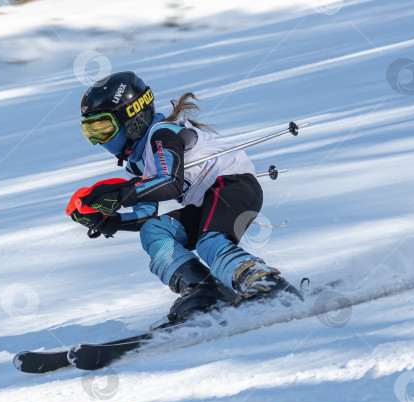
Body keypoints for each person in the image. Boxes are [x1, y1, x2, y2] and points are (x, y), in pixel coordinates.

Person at [71, 71, 300, 322]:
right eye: (90, 131)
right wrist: (109, 221)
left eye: (103, 127)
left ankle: (265, 282)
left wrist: (122, 193)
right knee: (154, 231)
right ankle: (205, 291)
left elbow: (170, 183)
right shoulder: (137, 164)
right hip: (205, 202)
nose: (98, 140)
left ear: (132, 117)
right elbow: (146, 214)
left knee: (209, 242)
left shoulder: (162, 135)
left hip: (232, 186)